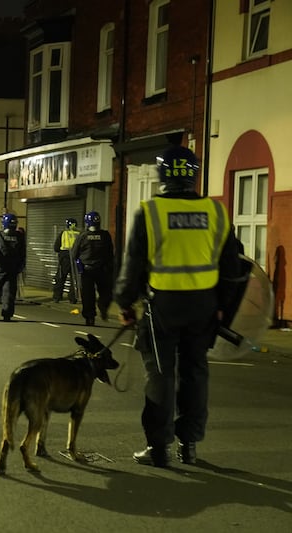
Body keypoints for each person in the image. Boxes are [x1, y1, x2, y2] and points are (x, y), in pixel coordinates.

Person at [116, 145, 242, 468]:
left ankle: (159, 449)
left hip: (163, 308)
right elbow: (231, 268)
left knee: (160, 374)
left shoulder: (150, 212)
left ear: (162, 176)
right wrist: (222, 309)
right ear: (194, 175)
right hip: (204, 308)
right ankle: (190, 446)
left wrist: (124, 303)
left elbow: (133, 266)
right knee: (195, 373)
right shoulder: (216, 212)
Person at [71, 211, 114, 326]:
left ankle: (90, 318)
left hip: (87, 270)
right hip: (102, 270)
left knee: (88, 296)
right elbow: (110, 253)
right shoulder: (105, 235)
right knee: (106, 293)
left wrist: (79, 266)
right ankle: (103, 306)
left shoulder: (83, 236)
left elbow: (74, 253)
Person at [0, 213, 26, 321]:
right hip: (13, 268)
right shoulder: (19, 237)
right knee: (9, 292)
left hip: (0, 267)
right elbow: (23, 254)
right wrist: (20, 266)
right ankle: (7, 314)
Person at [53, 218, 80, 303]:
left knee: (60, 278)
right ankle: (73, 298)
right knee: (74, 280)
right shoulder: (79, 234)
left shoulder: (63, 233)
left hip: (64, 258)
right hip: (76, 258)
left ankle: (57, 297)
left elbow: (56, 247)